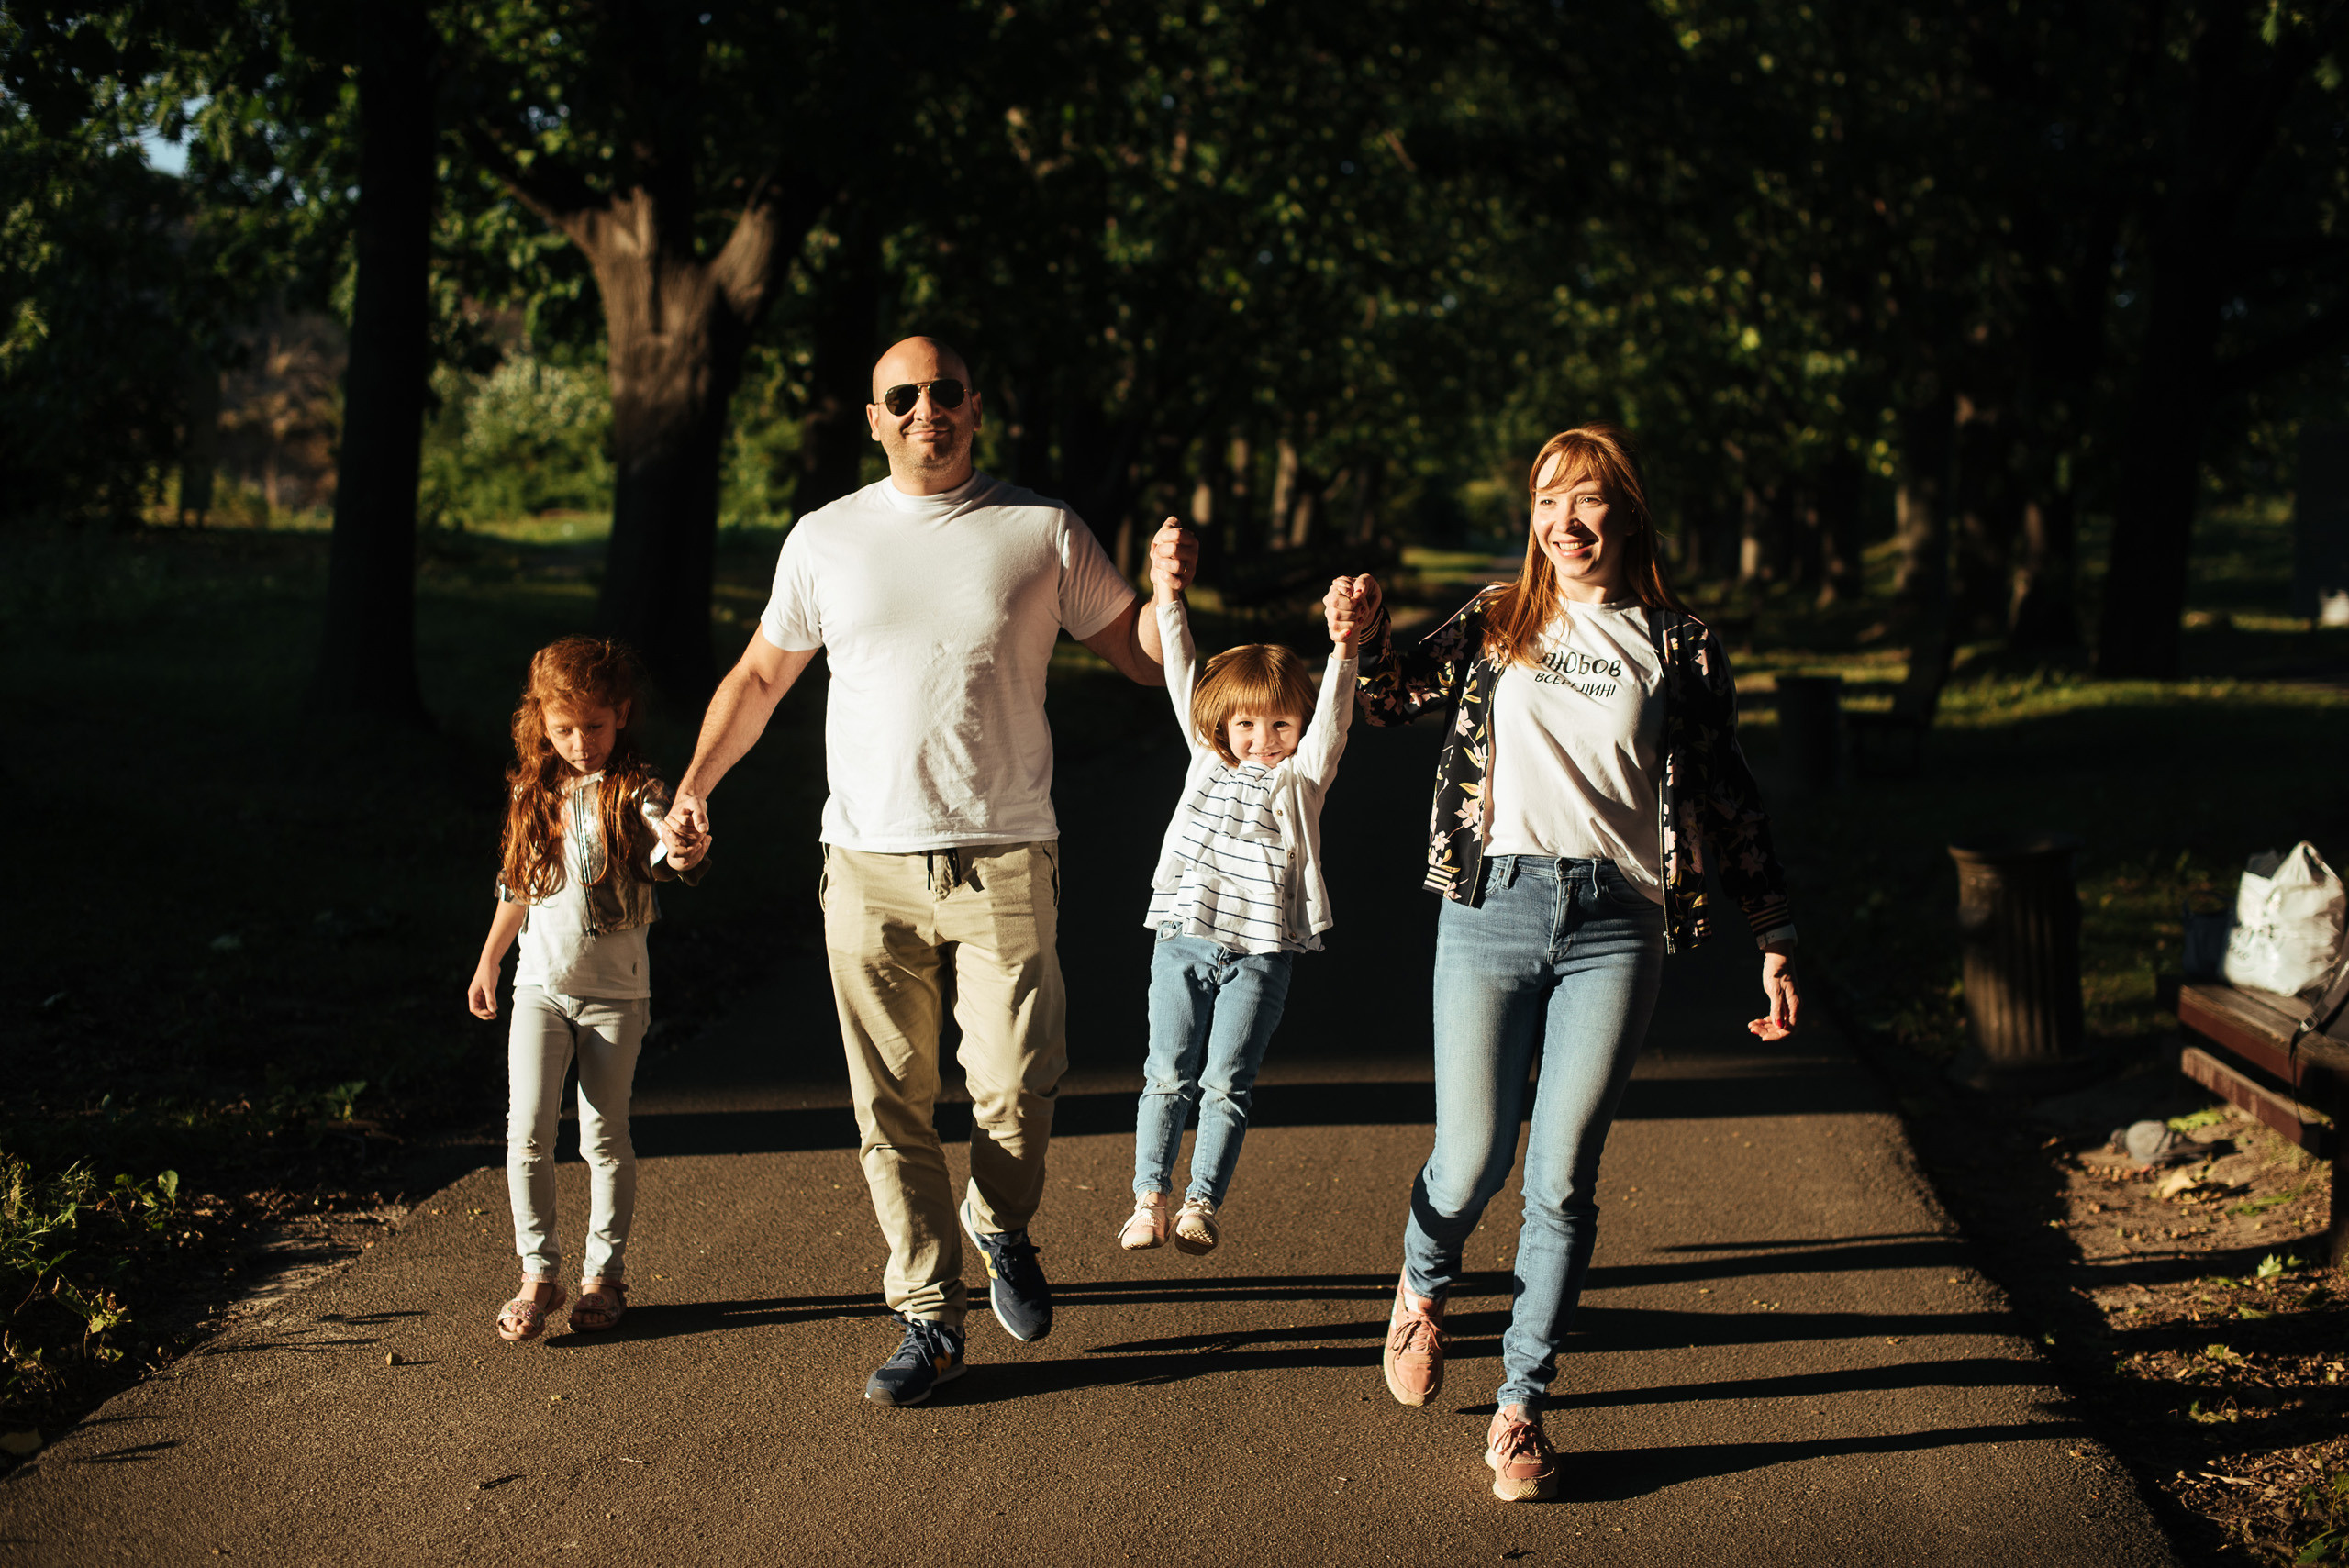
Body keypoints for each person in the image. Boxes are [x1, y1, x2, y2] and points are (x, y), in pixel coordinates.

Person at [665, 336, 1197, 1407]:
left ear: (975, 406)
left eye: (942, 392)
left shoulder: (1039, 529)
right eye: (899, 397)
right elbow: (763, 673)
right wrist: (695, 786)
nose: (923, 411)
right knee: (891, 1104)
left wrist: (1170, 596)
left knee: (1018, 1081)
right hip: (865, 862)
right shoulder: (826, 538)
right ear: (874, 418)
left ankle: (998, 1219)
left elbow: (1138, 651)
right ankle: (927, 1315)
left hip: (1005, 852)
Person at [1348, 424, 1798, 1501]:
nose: (1566, 521)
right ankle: (1421, 1281)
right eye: (1550, 501)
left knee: (1560, 1176)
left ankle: (1521, 1407)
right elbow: (1388, 696)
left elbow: (1727, 793)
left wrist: (1773, 932)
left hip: (1617, 923)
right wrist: (1360, 635)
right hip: (1490, 904)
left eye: (1588, 501)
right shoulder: (1501, 617)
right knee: (1469, 1159)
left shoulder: (1679, 645)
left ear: (1628, 515)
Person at [1118, 525, 1361, 1255]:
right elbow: (1181, 669)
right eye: (1246, 723)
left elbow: (1335, 719)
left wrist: (1344, 646)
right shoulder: (1206, 759)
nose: (1261, 738)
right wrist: (1168, 595)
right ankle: (1149, 1198)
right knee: (1165, 1072)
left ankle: (1199, 1204)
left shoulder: (1303, 777)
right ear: (1221, 723)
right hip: (1184, 938)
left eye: (1279, 722)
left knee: (1226, 1082)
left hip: (1261, 953)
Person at [466, 636, 709, 1343]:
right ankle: (538, 1272)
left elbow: (665, 845)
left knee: (604, 1133)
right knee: (527, 1134)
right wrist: (489, 959)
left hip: (615, 995)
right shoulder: (531, 790)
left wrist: (684, 845)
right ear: (540, 720)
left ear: (622, 714)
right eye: (565, 727)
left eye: (595, 726)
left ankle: (604, 1275)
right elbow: (518, 883)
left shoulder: (639, 788)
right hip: (538, 986)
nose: (581, 742)